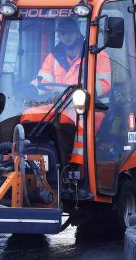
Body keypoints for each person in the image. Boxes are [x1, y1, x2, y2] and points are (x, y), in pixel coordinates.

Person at [33, 17, 111, 179]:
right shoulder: (54, 56)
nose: (66, 36)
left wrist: (83, 92)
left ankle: (76, 169)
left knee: (80, 124)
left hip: (91, 106)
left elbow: (104, 84)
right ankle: (36, 160)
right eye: (62, 33)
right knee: (31, 115)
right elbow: (42, 81)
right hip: (60, 107)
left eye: (69, 32)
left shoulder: (97, 54)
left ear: (77, 33)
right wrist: (31, 88)